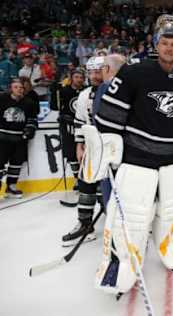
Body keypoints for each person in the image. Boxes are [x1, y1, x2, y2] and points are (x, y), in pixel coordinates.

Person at [93, 15, 173, 295]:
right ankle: (121, 263)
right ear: (156, 43)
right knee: (133, 217)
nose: (169, 48)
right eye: (164, 42)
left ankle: (172, 247)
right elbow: (108, 115)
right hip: (138, 159)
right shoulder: (134, 71)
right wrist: (110, 151)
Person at [61, 57, 104, 246]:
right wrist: (79, 145)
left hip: (113, 148)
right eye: (92, 72)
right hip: (91, 148)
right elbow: (80, 122)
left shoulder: (117, 90)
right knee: (86, 184)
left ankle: (117, 224)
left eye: (98, 71)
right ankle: (85, 224)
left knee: (109, 186)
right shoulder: (84, 95)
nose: (95, 76)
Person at [92, 53, 127, 207]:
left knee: (111, 189)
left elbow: (98, 118)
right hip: (130, 148)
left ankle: (112, 223)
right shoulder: (131, 86)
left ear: (107, 68)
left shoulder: (105, 87)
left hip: (109, 148)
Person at [0, 79, 37, 198]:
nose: (19, 89)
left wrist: (30, 129)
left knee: (16, 163)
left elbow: (32, 119)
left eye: (21, 87)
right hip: (2, 138)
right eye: (16, 87)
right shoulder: (2, 99)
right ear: (11, 88)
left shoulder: (29, 102)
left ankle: (11, 187)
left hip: (19, 138)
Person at [56, 69, 86, 194]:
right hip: (68, 126)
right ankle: (78, 179)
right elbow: (55, 106)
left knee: (86, 152)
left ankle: (86, 178)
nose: (79, 79)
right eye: (76, 77)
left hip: (84, 126)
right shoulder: (63, 91)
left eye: (81, 77)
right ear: (71, 78)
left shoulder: (87, 91)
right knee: (71, 152)